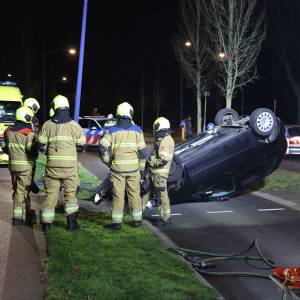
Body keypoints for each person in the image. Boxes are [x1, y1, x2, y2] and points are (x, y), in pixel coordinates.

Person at [37, 95, 86, 233]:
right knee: (70, 195)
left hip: (52, 168)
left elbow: (40, 146)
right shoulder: (75, 126)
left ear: (55, 107)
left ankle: (46, 225)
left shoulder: (47, 125)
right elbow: (82, 146)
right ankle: (71, 224)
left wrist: (50, 152)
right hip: (70, 169)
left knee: (50, 194)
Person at [98, 101, 146, 230]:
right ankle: (137, 220)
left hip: (117, 169)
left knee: (118, 195)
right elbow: (142, 153)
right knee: (134, 194)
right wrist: (141, 169)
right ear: (130, 114)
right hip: (134, 169)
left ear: (118, 114)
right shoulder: (138, 130)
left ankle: (116, 223)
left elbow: (102, 148)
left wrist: (107, 161)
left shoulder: (112, 131)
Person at [3, 106, 38, 225]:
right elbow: (31, 151)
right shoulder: (29, 133)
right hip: (25, 168)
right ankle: (17, 218)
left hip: (12, 167)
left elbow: (6, 148)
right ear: (26, 117)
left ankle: (26, 212)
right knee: (21, 192)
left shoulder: (8, 131)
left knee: (17, 190)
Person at [143, 117, 175, 225]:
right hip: (154, 173)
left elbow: (163, 160)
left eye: (156, 128)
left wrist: (151, 163)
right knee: (144, 192)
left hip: (160, 174)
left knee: (162, 196)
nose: (154, 131)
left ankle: (165, 218)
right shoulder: (162, 139)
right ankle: (137, 214)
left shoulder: (166, 140)